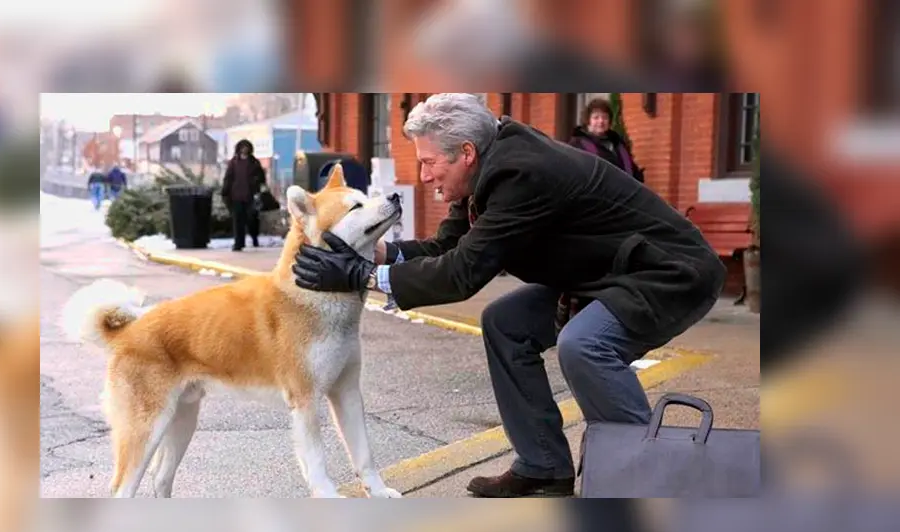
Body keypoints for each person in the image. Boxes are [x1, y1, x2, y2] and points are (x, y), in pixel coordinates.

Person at [291, 93, 726, 497]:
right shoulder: (484, 167)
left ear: (465, 153)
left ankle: (659, 479)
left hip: (667, 271)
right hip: (606, 274)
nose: (423, 177)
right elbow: (449, 248)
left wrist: (360, 276)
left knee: (584, 345)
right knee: (505, 323)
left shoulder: (522, 174)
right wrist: (372, 252)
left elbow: (462, 274)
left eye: (428, 163)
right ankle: (543, 465)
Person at [567, 97, 644, 183]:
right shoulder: (577, 145)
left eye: (605, 117)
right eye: (596, 117)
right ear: (588, 121)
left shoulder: (618, 144)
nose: (601, 121)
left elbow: (633, 171)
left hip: (623, 193)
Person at [221, 139, 267, 250]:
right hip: (236, 196)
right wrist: (225, 192)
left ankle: (254, 237)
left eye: (246, 147)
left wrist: (256, 184)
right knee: (237, 221)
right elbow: (228, 178)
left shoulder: (254, 162)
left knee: (252, 220)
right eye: (242, 147)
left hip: (250, 196)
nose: (244, 149)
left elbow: (262, 178)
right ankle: (239, 243)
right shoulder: (234, 162)